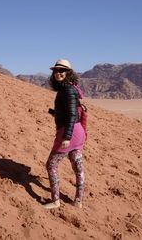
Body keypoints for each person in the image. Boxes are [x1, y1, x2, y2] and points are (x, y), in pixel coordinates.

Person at [44, 59, 86, 209]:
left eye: (62, 71)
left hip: (69, 132)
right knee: (78, 166)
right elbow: (70, 112)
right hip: (78, 132)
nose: (58, 73)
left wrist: (66, 137)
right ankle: (78, 201)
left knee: (51, 164)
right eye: (55, 71)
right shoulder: (70, 88)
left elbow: (72, 115)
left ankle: (56, 200)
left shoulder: (67, 90)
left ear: (68, 73)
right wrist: (55, 113)